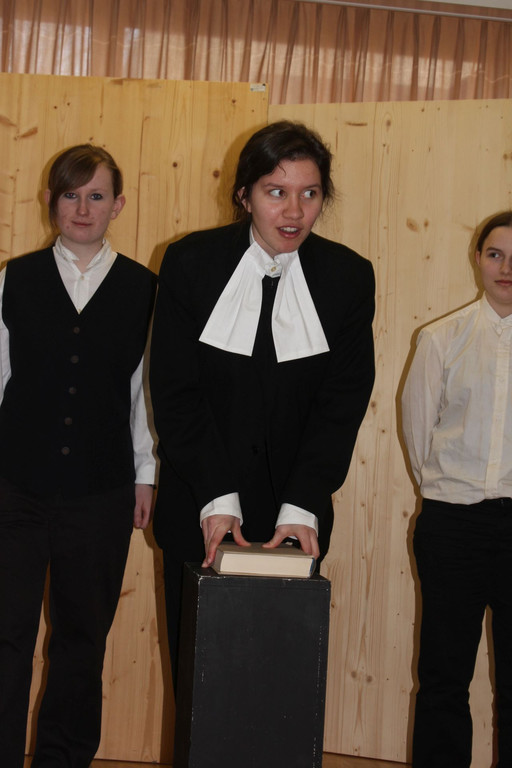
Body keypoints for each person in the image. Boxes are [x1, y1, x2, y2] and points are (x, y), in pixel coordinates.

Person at [150, 120, 375, 679]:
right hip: (199, 506)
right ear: (244, 195)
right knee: (199, 685)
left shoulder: (348, 277)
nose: (294, 211)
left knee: (280, 687)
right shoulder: (190, 263)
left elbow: (341, 405)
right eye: (276, 192)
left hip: (293, 518)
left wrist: (301, 504)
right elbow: (176, 394)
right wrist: (216, 498)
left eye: (310, 193)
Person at [0, 144, 157, 768]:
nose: (83, 207)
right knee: (5, 636)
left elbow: (144, 392)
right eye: (71, 194)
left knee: (82, 642)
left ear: (118, 204)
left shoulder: (145, 290)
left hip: (101, 491)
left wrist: (146, 474)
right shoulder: (14, 279)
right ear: (50, 200)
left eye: (96, 195)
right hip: (14, 486)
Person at [402, 211, 512, 768]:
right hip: (453, 527)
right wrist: (451, 493)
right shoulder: (440, 338)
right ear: (477, 259)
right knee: (444, 678)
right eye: (496, 254)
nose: (507, 268)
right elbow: (418, 433)